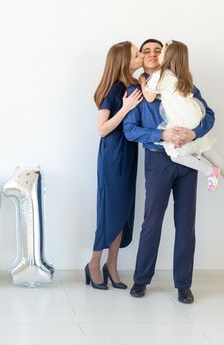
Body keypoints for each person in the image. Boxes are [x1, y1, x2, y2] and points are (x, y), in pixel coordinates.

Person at [123, 38, 215, 304]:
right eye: (147, 51)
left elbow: (208, 114)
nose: (152, 54)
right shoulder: (137, 91)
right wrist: (161, 133)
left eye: (157, 50)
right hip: (158, 161)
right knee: (152, 222)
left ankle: (183, 284)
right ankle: (141, 280)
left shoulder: (185, 84)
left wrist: (194, 132)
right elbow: (130, 130)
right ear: (142, 57)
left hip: (188, 160)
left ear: (164, 56)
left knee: (186, 224)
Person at [139, 40, 224, 199]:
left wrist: (142, 81)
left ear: (168, 56)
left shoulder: (160, 75)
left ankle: (209, 171)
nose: (158, 54)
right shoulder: (184, 77)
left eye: (162, 51)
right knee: (205, 148)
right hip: (195, 114)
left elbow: (149, 97)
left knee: (175, 154)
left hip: (182, 119)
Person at [85, 41, 143, 290]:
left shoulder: (135, 85)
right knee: (110, 210)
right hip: (113, 153)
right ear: (123, 59)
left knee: (124, 212)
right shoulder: (113, 88)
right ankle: (94, 264)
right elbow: (102, 129)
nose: (141, 56)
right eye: (137, 53)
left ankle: (112, 266)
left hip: (129, 152)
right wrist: (127, 108)